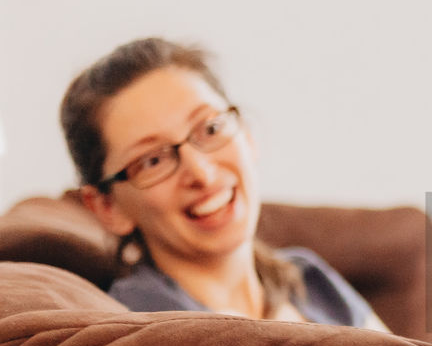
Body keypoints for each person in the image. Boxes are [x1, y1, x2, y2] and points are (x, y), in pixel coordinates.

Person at [60, 37, 384, 327]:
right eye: (152, 160)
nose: (202, 173)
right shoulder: (143, 328)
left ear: (246, 132)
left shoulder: (308, 278)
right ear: (108, 207)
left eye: (210, 129)